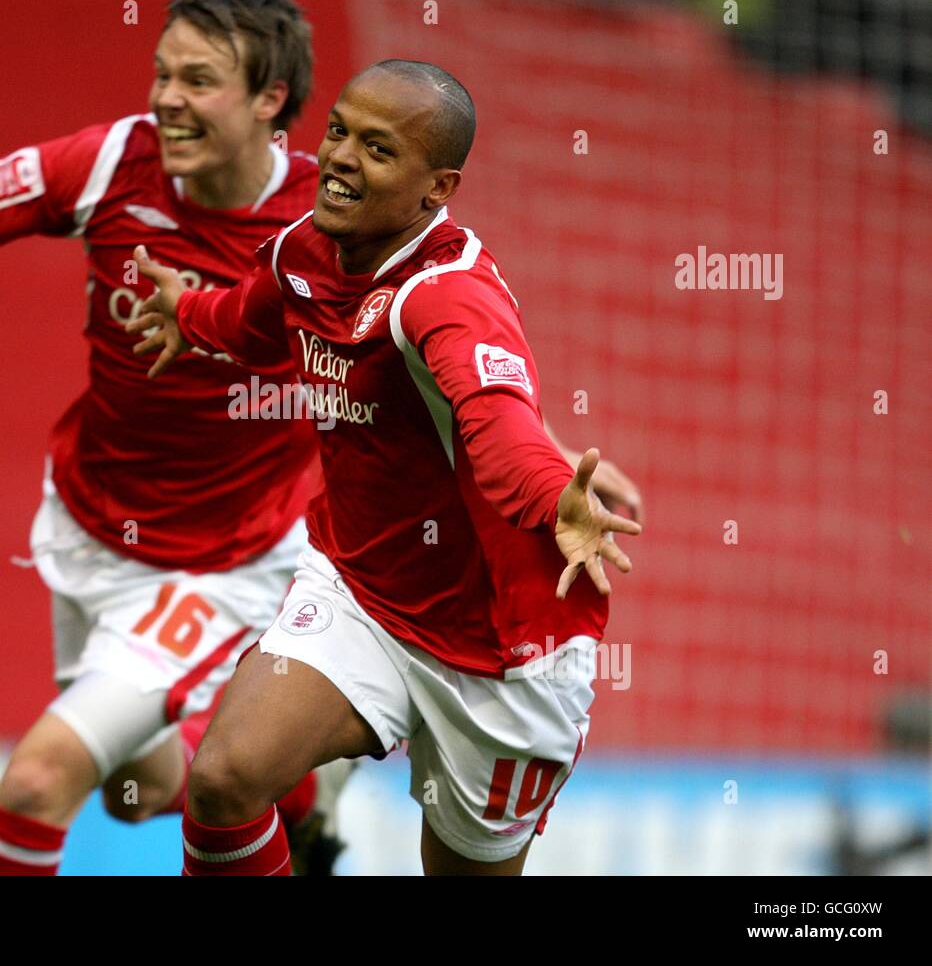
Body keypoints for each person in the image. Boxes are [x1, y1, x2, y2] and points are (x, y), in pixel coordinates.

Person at [0, 0, 331, 875]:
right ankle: (284, 785)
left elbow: (439, 354)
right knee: (138, 798)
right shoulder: (106, 164)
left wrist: (543, 463)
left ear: (269, 99)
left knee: (37, 781)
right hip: (90, 529)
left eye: (199, 80)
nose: (166, 98)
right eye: (161, 73)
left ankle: (262, 768)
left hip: (229, 562)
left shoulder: (332, 223)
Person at [127, 59, 643, 875]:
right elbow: (251, 319)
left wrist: (556, 498)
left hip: (503, 651)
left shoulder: (447, 298)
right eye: (337, 130)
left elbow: (499, 430)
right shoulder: (305, 251)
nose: (338, 157)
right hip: (362, 591)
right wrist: (185, 314)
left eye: (376, 148)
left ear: (437, 187)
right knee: (224, 779)